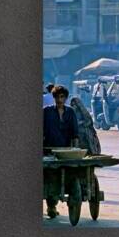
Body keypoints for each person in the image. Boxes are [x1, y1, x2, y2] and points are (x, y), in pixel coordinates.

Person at [43, 85, 79, 219]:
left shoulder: (70, 112)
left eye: (62, 97)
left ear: (65, 98)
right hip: (48, 149)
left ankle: (55, 202)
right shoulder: (46, 111)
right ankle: (51, 206)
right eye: (57, 97)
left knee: (67, 173)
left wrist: (75, 150)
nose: (60, 99)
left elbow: (75, 132)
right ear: (54, 97)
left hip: (65, 150)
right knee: (50, 175)